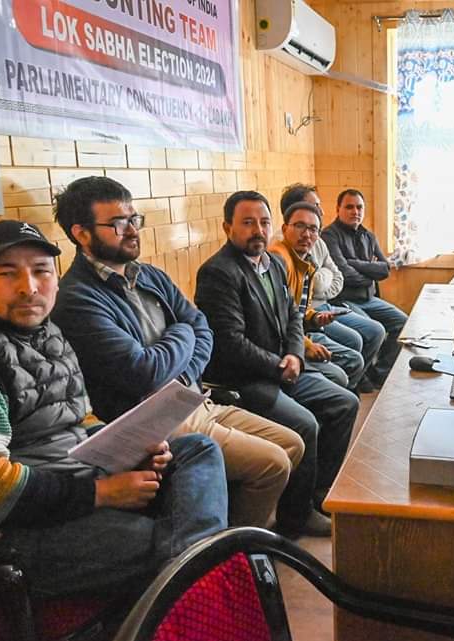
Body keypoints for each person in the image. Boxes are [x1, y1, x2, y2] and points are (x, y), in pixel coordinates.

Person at [0, 220, 228, 596]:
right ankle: (200, 584)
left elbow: (67, 428)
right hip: (5, 534)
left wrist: (129, 453)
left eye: (41, 271)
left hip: (69, 480)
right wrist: (102, 492)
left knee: (196, 450)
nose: (29, 288)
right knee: (158, 540)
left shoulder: (46, 332)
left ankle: (191, 574)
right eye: (7, 274)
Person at [52, 176, 303, 529]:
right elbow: (145, 371)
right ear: (81, 234)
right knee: (274, 462)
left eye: (134, 219)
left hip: (192, 398)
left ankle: (226, 528)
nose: (132, 230)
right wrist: (183, 331)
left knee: (292, 443)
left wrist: (182, 373)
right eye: (117, 223)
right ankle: (227, 556)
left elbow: (203, 327)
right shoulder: (77, 298)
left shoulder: (149, 275)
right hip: (150, 425)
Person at [195, 190, 359, 539]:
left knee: (344, 403)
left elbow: (293, 318)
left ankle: (318, 494)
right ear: (227, 227)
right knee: (305, 424)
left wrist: (296, 355)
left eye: (264, 222)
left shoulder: (271, 264)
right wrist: (278, 365)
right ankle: (294, 518)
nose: (258, 230)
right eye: (248, 222)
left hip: (282, 367)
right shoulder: (218, 273)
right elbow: (229, 343)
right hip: (244, 380)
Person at [280, 183, 386, 393]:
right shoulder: (281, 254)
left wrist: (353, 267)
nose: (320, 211)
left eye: (359, 207)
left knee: (386, 326)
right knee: (360, 337)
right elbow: (318, 283)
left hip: (326, 306)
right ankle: (349, 386)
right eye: (314, 206)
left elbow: (340, 276)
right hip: (321, 310)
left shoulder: (321, 238)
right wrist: (365, 272)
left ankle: (366, 377)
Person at [321, 189, 407, 386]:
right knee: (371, 328)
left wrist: (355, 263)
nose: (355, 211)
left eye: (359, 207)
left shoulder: (368, 235)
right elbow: (343, 274)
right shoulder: (329, 236)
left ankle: (378, 373)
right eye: (349, 207)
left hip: (370, 299)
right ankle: (360, 376)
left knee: (403, 323)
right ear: (338, 209)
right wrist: (369, 272)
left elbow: (385, 269)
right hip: (344, 300)